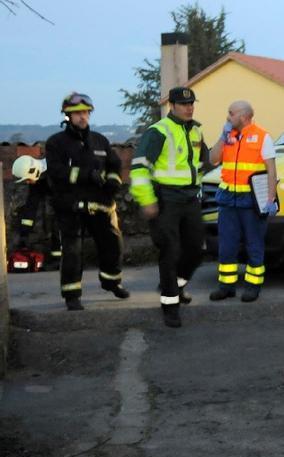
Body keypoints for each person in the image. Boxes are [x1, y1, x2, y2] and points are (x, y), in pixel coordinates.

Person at [130, 87, 211, 327]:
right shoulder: (158, 132)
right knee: (170, 251)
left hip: (190, 198)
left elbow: (205, 162)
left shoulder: (196, 130)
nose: (189, 107)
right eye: (183, 104)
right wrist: (147, 200)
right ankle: (170, 305)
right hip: (165, 199)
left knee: (196, 249)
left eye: (191, 103)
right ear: (171, 106)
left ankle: (176, 284)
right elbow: (139, 168)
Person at [45, 92, 128, 311]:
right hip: (70, 206)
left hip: (99, 204)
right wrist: (85, 175)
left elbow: (114, 165)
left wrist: (113, 182)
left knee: (113, 243)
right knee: (72, 251)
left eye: (85, 113)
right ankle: (72, 295)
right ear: (67, 117)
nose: (82, 117)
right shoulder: (56, 143)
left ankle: (112, 282)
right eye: (77, 113)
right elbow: (55, 171)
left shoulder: (100, 140)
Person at [207, 101, 278, 303]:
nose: (227, 116)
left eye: (231, 113)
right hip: (228, 200)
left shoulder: (263, 136)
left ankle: (253, 287)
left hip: (251, 201)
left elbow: (272, 170)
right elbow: (212, 159)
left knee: (254, 245)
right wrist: (222, 136)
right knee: (227, 246)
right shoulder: (228, 136)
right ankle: (226, 287)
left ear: (243, 116)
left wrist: (270, 198)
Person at [11, 155, 62, 270]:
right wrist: (24, 234)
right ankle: (57, 260)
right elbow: (31, 206)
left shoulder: (55, 169)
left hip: (75, 199)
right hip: (61, 201)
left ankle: (62, 260)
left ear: (33, 171)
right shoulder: (38, 181)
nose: (28, 182)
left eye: (28, 179)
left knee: (58, 226)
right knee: (55, 226)